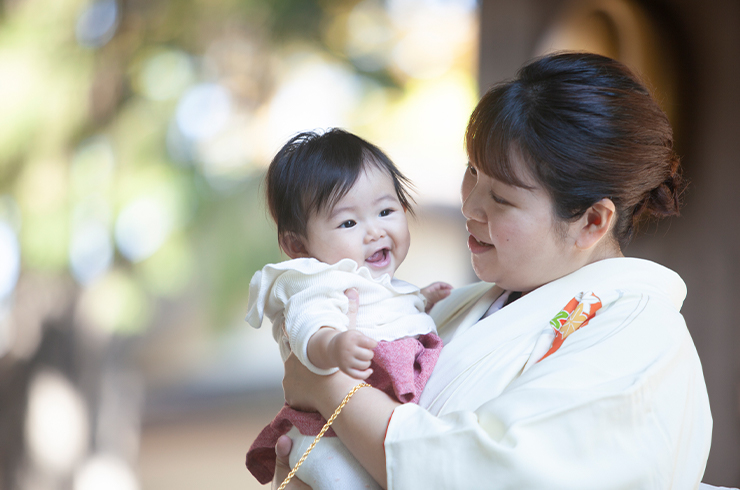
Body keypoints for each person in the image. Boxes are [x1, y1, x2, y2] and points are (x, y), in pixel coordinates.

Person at [274, 52, 713, 489]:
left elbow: (494, 474)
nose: (469, 206)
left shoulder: (640, 337)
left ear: (592, 221)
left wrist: (329, 386)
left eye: (501, 198)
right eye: (471, 172)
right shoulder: (452, 307)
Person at [245, 129, 452, 488]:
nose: (374, 231)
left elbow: (392, 312)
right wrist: (333, 346)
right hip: (331, 441)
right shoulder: (317, 281)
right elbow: (308, 328)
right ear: (298, 245)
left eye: (386, 211)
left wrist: (423, 299)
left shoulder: (380, 286)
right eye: (348, 223)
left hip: (364, 433)